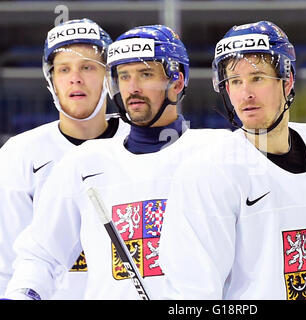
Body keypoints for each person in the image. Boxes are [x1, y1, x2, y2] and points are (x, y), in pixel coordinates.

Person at [4, 25, 231, 300]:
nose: (132, 88)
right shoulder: (84, 163)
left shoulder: (222, 152)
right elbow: (41, 256)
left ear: (177, 82)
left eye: (145, 74)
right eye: (124, 76)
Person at [158, 21, 306, 300]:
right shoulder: (209, 171)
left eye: (257, 78)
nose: (245, 93)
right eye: (235, 81)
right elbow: (193, 292)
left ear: (287, 81)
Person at [0, 18, 130, 299]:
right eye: (64, 69)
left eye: (87, 67)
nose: (75, 78)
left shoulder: (139, 143)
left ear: (108, 76)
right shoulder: (19, 154)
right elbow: (7, 261)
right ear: (52, 80)